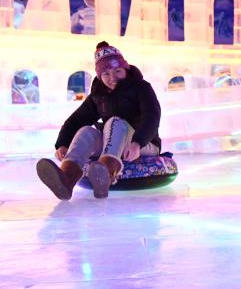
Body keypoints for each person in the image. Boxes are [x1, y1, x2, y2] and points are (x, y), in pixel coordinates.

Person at [36, 42, 162, 200]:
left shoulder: (141, 88)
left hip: (144, 143)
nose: (112, 78)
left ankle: (107, 172)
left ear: (126, 69)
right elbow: (76, 120)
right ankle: (67, 178)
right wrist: (62, 144)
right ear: (99, 76)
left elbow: (152, 116)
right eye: (106, 74)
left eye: (117, 71)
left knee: (115, 122)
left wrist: (137, 143)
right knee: (86, 131)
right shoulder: (98, 95)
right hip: (114, 141)